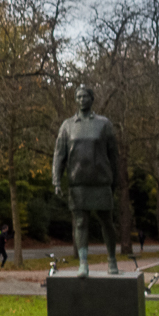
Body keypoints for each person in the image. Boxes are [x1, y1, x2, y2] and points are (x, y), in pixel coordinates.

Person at [52, 85, 119, 278]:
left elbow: (114, 156)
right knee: (80, 223)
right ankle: (83, 263)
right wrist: (56, 179)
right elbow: (59, 155)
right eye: (79, 96)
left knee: (106, 221)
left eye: (85, 96)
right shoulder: (67, 126)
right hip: (78, 183)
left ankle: (112, 260)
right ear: (76, 99)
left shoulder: (104, 124)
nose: (82, 100)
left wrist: (113, 182)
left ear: (92, 99)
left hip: (100, 182)